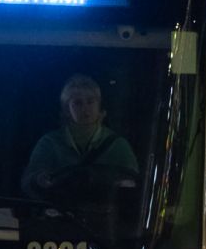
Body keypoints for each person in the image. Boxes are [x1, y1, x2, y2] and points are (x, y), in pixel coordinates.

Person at [21, 73, 137, 209]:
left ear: (99, 105)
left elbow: (133, 186)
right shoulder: (49, 143)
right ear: (66, 110)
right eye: (77, 103)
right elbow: (29, 182)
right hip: (60, 218)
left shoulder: (118, 146)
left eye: (90, 101)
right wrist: (40, 179)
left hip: (104, 221)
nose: (85, 108)